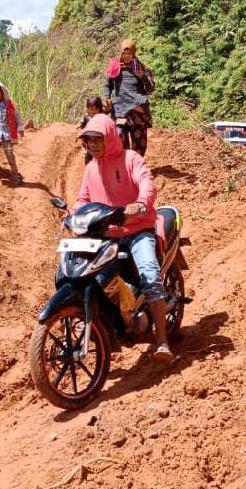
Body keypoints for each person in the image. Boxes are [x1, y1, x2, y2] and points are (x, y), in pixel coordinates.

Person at [73, 113, 173, 363]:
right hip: (107, 235)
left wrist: (140, 203)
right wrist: (73, 214)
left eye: (98, 139)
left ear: (110, 137)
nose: (93, 145)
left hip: (138, 230)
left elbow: (146, 183)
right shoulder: (90, 169)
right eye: (88, 140)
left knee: (150, 274)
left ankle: (162, 341)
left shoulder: (131, 158)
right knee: (89, 276)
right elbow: (83, 200)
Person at [102, 39, 155, 157]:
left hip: (137, 108)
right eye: (124, 54)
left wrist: (143, 77)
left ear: (134, 53)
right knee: (119, 136)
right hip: (120, 108)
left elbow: (151, 88)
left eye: (129, 54)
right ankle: (123, 166)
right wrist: (106, 97)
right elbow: (107, 85)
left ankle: (135, 166)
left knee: (139, 142)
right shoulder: (115, 67)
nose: (126, 57)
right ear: (121, 53)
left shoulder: (141, 67)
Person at [77, 96, 104, 164]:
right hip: (89, 139)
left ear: (100, 108)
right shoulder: (86, 117)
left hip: (99, 139)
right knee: (89, 151)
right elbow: (81, 123)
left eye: (96, 109)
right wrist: (79, 126)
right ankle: (89, 161)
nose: (94, 111)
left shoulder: (102, 116)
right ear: (88, 108)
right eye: (92, 109)